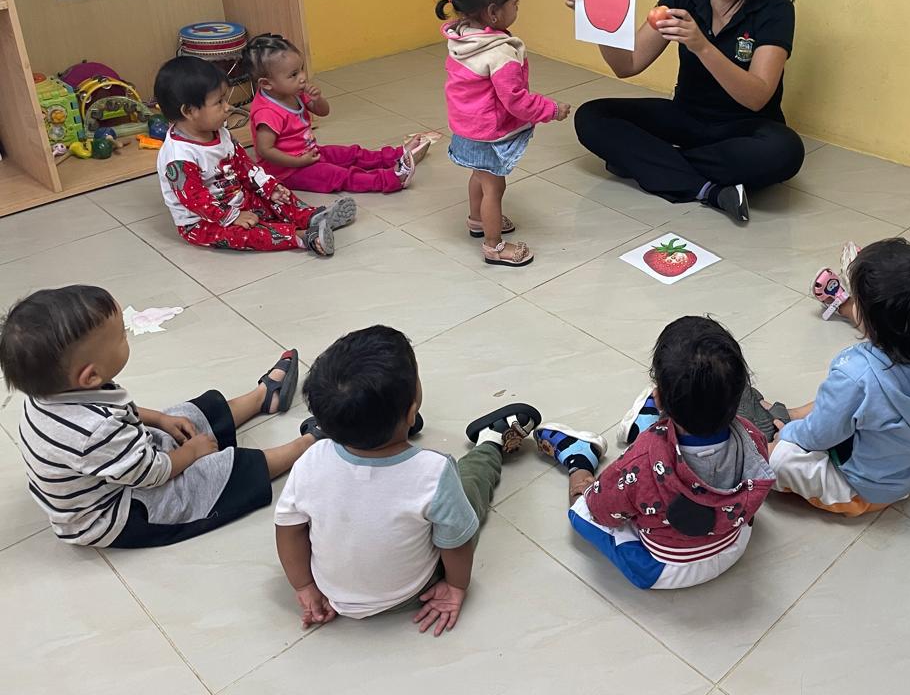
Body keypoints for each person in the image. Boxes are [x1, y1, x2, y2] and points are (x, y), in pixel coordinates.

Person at [273, 324, 542, 634]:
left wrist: (305, 586)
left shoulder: (310, 460)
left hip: (329, 590)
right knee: (467, 490)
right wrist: (455, 586)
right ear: (412, 411)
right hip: (410, 592)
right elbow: (456, 542)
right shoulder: (433, 472)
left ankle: (368, 427)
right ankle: (491, 443)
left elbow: (288, 528)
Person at [0, 285, 315, 548]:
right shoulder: (95, 431)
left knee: (182, 417)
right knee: (214, 474)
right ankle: (309, 445)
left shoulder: (53, 395)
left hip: (116, 468)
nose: (126, 336)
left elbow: (121, 413)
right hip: (119, 514)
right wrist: (192, 454)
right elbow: (151, 473)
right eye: (121, 336)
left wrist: (160, 420)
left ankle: (263, 397)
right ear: (90, 375)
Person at [567, 0, 806, 223]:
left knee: (786, 152)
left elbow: (757, 96)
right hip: (687, 117)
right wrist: (600, 20)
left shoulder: (776, 9)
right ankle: (709, 189)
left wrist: (702, 46)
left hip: (744, 129)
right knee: (591, 116)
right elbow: (628, 65)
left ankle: (651, 162)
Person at [533, 316, 774, 590]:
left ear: (658, 397)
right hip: (733, 544)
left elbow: (602, 509)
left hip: (666, 569)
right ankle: (643, 423)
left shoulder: (642, 460)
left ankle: (579, 458)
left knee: (582, 513)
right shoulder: (753, 436)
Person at [769, 239, 910, 516]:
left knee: (777, 459)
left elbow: (819, 436)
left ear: (874, 324)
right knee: (849, 403)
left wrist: (785, 435)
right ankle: (794, 414)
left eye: (856, 301)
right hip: (909, 464)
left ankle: (780, 433)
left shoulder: (855, 374)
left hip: (864, 489)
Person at [438, 0, 571, 267]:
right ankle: (494, 246)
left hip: (466, 128)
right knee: (494, 187)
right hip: (489, 133)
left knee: (478, 176)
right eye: (515, 3)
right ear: (494, 13)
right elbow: (516, 100)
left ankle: (476, 220)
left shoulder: (462, 37)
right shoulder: (500, 54)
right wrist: (551, 109)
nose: (517, 8)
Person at [153, 56, 356, 257]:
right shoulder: (178, 157)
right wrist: (232, 216)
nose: (227, 107)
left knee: (277, 196)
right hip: (205, 221)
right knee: (245, 234)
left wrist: (269, 187)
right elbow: (196, 201)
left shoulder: (219, 132)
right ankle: (303, 237)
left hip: (239, 198)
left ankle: (312, 217)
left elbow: (244, 165)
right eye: (219, 102)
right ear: (189, 111)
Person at [247, 32, 437, 194]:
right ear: (266, 84)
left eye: (301, 69)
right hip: (288, 171)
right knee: (338, 175)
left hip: (310, 153)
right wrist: (298, 162)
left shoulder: (293, 91)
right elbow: (266, 151)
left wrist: (317, 99)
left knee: (351, 154)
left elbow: (323, 112)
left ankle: (397, 155)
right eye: (293, 75)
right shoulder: (267, 112)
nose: (303, 77)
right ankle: (391, 179)